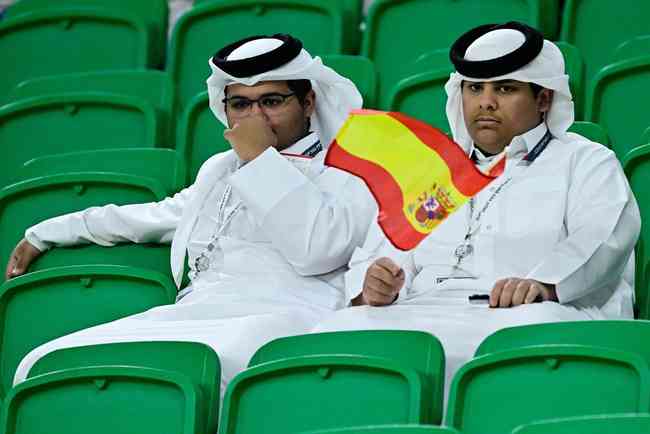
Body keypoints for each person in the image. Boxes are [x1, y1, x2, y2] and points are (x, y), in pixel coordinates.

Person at [7, 34, 376, 392]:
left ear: (308, 101)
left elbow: (316, 252)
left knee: (206, 368)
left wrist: (259, 161)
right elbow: (153, 217)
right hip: (197, 312)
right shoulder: (220, 168)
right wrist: (46, 232)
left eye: (272, 101)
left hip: (285, 316)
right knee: (46, 361)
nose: (255, 118)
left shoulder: (351, 170)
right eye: (241, 105)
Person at [312, 22, 641, 395]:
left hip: (523, 313)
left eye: (505, 88)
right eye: (474, 88)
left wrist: (544, 283)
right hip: (423, 308)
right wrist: (375, 283)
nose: (486, 102)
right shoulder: (436, 172)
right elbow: (388, 246)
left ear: (544, 98)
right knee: (334, 333)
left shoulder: (584, 160)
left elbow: (604, 237)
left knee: (533, 334)